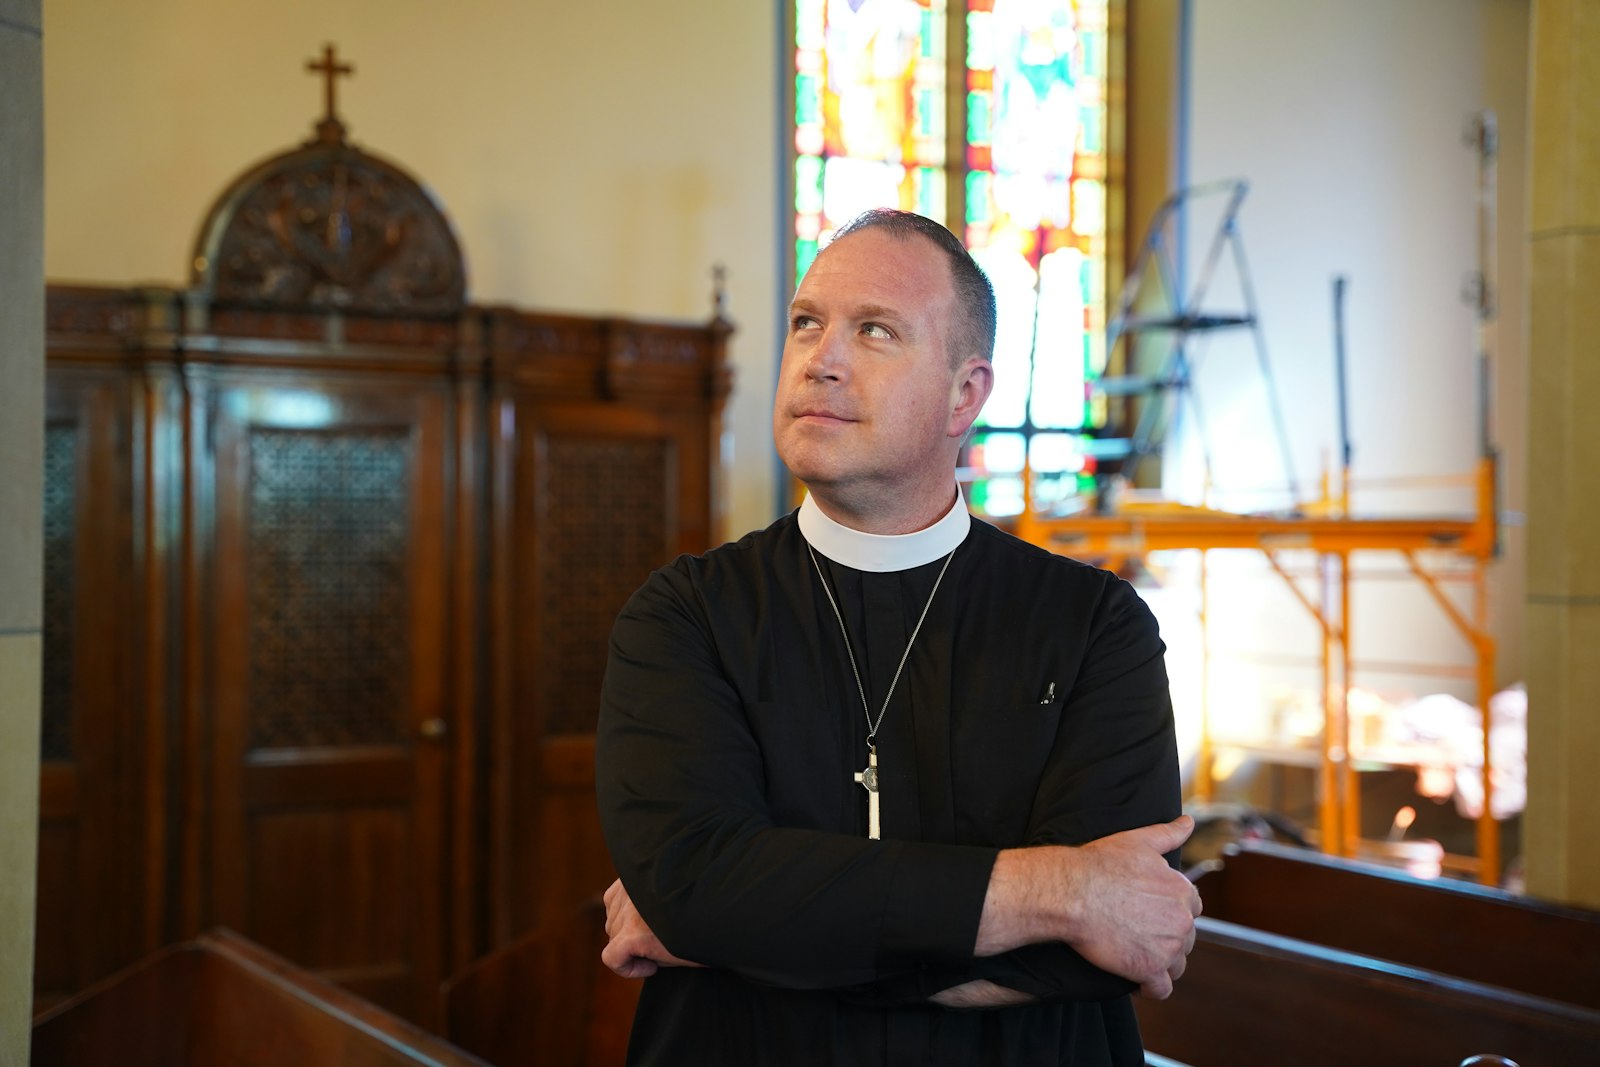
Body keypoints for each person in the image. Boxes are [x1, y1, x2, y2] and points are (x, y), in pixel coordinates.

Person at [594, 208, 1199, 1066]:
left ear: (965, 395)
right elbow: (698, 882)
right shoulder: (684, 613)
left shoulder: (1095, 623)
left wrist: (734, 936)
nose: (821, 359)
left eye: (875, 331)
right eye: (808, 323)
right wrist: (1062, 889)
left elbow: (1099, 951)